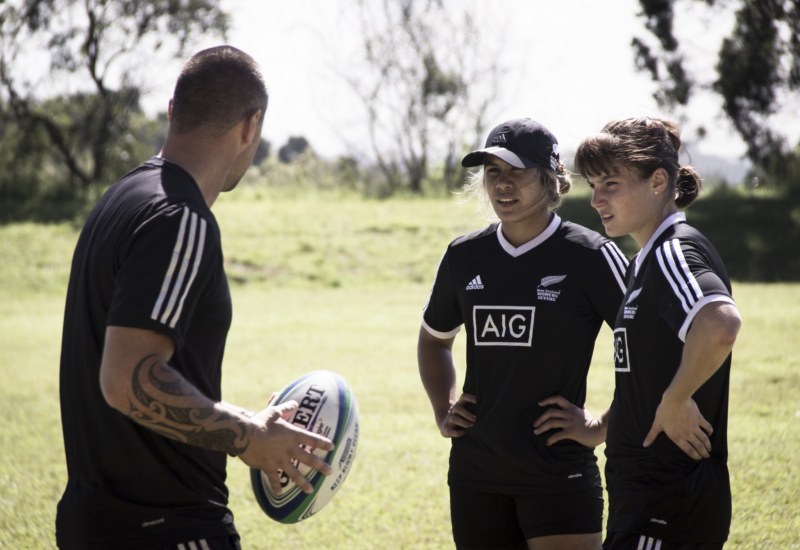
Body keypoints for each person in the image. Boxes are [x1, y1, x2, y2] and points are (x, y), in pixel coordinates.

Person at [56, 45, 334, 550]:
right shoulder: (181, 219)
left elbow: (144, 367)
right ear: (251, 126)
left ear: (171, 110)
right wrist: (251, 437)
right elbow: (125, 379)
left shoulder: (120, 198)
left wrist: (232, 414)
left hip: (94, 522)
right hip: (164, 526)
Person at [417, 118, 629, 550]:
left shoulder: (591, 255)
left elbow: (648, 346)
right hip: (476, 474)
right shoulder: (464, 255)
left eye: (517, 172)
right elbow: (434, 340)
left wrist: (601, 425)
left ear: (551, 178)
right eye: (493, 172)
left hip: (557, 472)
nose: (503, 185)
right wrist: (444, 407)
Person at [573, 117, 742, 550]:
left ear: (658, 181)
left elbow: (721, 323)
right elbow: (647, 373)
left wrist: (677, 398)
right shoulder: (644, 261)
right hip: (645, 498)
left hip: (668, 501)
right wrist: (605, 426)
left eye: (610, 183)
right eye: (593, 185)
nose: (596, 199)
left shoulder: (672, 251)